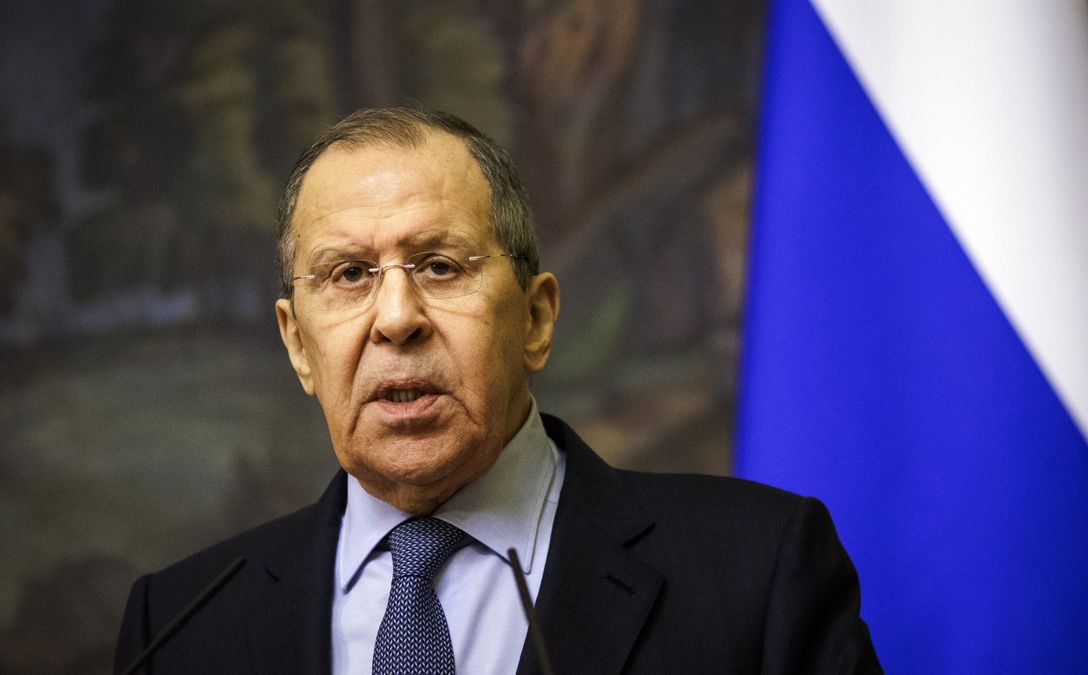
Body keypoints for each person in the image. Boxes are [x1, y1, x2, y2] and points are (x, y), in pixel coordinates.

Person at [114, 107, 881, 674]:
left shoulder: (756, 570)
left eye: (440, 265)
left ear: (537, 318)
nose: (396, 318)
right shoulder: (180, 626)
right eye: (349, 274)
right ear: (297, 344)